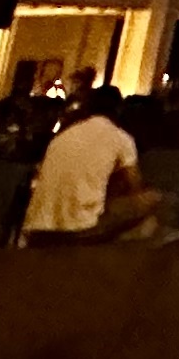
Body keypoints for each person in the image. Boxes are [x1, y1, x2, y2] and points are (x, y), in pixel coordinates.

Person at [21, 82, 158, 244]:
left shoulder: (64, 134)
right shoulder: (120, 137)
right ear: (119, 110)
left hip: (36, 227)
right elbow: (135, 186)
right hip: (78, 228)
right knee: (151, 203)